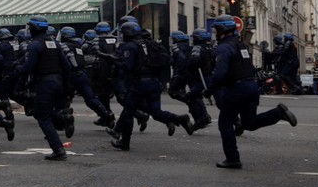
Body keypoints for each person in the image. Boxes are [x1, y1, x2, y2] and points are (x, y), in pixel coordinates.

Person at [203, 15, 298, 169]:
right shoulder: (240, 45)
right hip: (251, 87)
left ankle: (233, 159)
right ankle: (278, 113)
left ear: (221, 29)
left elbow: (220, 74)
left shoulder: (223, 48)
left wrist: (209, 90)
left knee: (225, 122)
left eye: (216, 30)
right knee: (249, 123)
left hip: (236, 89)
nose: (215, 33)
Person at [104, 22, 193, 151]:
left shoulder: (131, 46)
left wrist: (113, 60)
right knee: (156, 112)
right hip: (155, 83)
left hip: (140, 84)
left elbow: (127, 66)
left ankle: (124, 142)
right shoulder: (150, 43)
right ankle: (179, 118)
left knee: (128, 111)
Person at [17, 15, 72, 161]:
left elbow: (29, 66)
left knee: (42, 116)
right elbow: (66, 65)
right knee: (40, 112)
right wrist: (67, 85)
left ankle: (58, 149)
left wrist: (16, 72)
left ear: (33, 28)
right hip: (57, 82)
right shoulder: (54, 42)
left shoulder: (35, 44)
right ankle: (62, 116)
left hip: (44, 83)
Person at [59, 26, 115, 129]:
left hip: (70, 75)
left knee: (63, 99)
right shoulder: (78, 45)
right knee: (90, 98)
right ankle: (107, 114)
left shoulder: (63, 46)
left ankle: (64, 120)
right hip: (82, 74)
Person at [167, 31, 209, 130]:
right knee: (195, 95)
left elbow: (181, 59)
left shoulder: (175, 47)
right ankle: (204, 116)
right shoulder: (190, 46)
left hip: (181, 73)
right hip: (192, 73)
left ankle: (200, 118)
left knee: (174, 93)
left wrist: (179, 72)